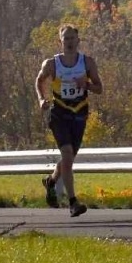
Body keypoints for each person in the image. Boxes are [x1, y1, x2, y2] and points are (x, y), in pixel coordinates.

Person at [34, 24, 102, 218]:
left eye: (72, 38)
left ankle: (51, 181)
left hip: (79, 114)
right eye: (66, 39)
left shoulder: (87, 62)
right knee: (67, 153)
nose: (70, 42)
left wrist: (86, 85)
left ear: (78, 40)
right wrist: (41, 99)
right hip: (59, 113)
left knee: (68, 159)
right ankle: (73, 202)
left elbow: (99, 88)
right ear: (60, 41)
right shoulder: (52, 64)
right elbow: (39, 81)